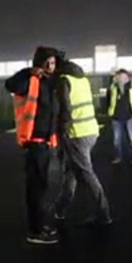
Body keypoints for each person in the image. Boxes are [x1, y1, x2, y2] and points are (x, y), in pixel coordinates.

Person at [5, 46, 60, 245]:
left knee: (42, 187)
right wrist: (29, 71)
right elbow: (10, 84)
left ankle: (39, 224)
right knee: (36, 188)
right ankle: (35, 230)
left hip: (45, 144)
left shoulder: (49, 83)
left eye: (54, 63)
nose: (52, 66)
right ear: (41, 63)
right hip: (34, 143)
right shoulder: (30, 81)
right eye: (49, 62)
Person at [54, 58, 112, 225]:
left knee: (86, 174)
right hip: (90, 129)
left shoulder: (64, 80)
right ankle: (60, 208)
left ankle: (104, 213)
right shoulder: (82, 79)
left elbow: (65, 109)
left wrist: (61, 132)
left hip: (76, 133)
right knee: (70, 170)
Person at [106, 69, 132, 164]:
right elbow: (108, 100)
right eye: (120, 77)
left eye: (124, 77)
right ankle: (118, 157)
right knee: (116, 139)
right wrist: (109, 112)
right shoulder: (113, 87)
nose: (122, 79)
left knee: (131, 138)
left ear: (128, 77)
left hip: (129, 116)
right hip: (116, 117)